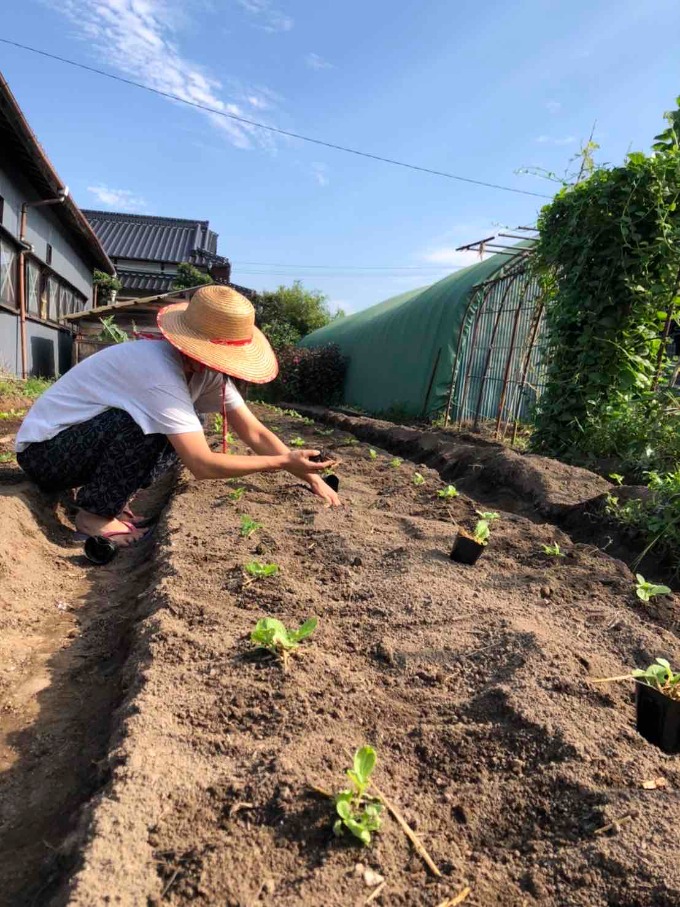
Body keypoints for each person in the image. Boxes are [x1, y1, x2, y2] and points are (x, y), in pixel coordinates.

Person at [15, 285, 340, 546]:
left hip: (77, 449)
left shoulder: (207, 375)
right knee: (152, 426)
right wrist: (283, 462)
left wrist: (311, 477)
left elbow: (254, 433)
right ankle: (93, 517)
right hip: (45, 454)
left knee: (182, 426)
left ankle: (109, 497)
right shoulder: (158, 369)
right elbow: (201, 464)